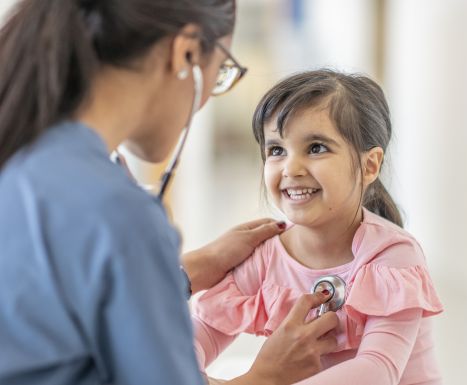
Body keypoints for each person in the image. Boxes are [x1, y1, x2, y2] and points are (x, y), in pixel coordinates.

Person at [0, 1, 340, 385]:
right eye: (223, 70)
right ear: (188, 52)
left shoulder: (26, 162)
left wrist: (182, 272)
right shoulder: (117, 209)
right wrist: (266, 377)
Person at [192, 69, 444, 384]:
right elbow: (189, 342)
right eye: (276, 150)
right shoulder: (265, 255)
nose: (291, 168)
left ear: (369, 165)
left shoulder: (393, 256)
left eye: (316, 148)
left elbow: (376, 372)